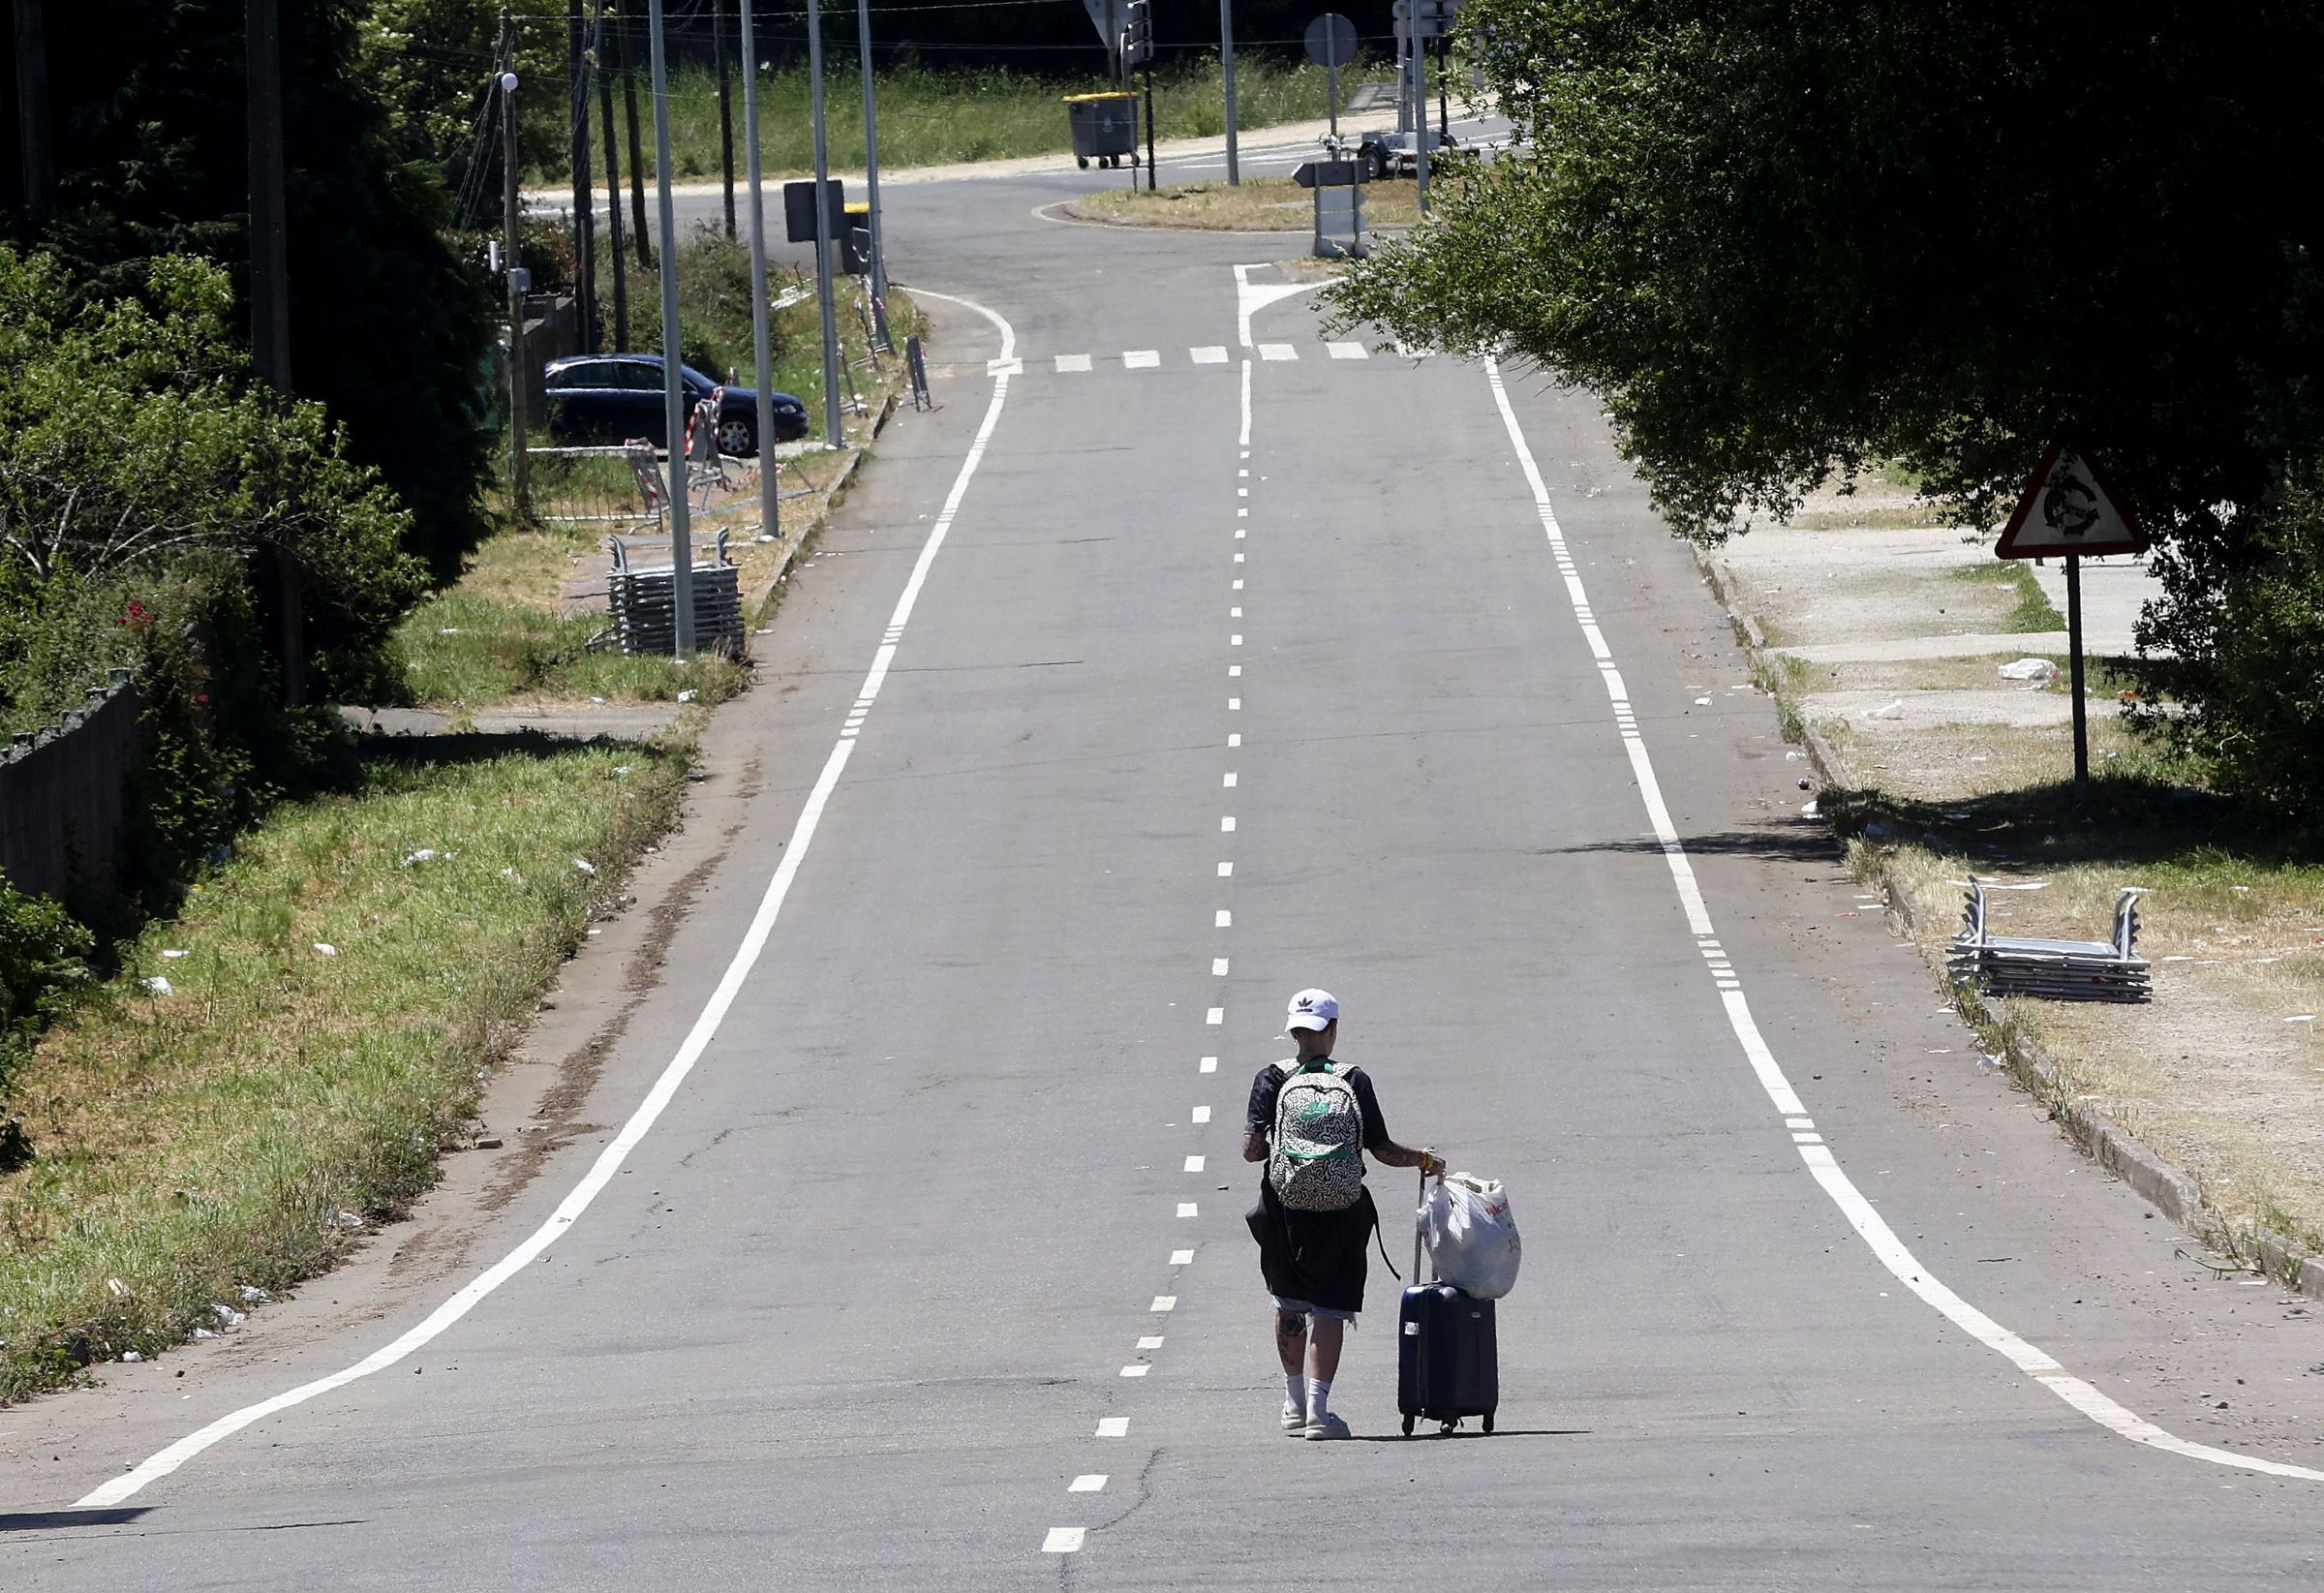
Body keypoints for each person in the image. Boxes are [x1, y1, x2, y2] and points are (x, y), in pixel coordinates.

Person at [1243, 988, 1444, 1440]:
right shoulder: (1353, 1079)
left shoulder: (1271, 1078)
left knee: (1289, 1301)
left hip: (1285, 1207)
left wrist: (1288, 1150)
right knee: (1330, 1308)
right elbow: (1382, 1150)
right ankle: (1319, 1412)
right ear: (1332, 1028)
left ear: (1293, 1031)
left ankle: (1293, 1404)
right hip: (1341, 1209)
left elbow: (1252, 1151)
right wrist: (1424, 1160)